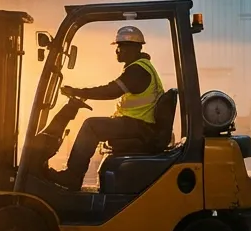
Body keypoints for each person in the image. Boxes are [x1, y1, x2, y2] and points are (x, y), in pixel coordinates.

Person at [50, 25, 166, 191]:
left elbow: (111, 91)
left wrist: (78, 91)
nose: (117, 51)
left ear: (132, 47)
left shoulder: (138, 71)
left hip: (139, 126)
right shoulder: (141, 67)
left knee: (91, 126)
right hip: (139, 125)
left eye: (120, 47)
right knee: (95, 125)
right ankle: (73, 175)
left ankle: (72, 176)